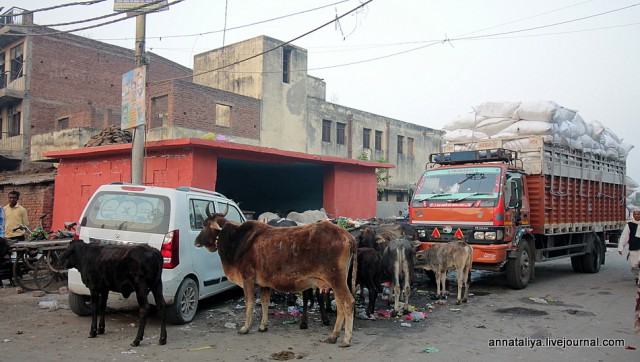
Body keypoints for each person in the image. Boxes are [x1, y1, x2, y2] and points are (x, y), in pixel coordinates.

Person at [618, 208, 640, 285]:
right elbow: (624, 236)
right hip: (633, 248)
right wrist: (621, 247)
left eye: (638, 214)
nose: (636, 216)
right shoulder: (630, 225)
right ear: (633, 215)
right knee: (634, 266)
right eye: (635, 214)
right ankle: (637, 276)